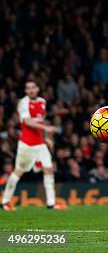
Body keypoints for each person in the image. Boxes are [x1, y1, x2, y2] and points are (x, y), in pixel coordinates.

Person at [2, 80, 66, 211]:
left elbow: (40, 121)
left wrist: (46, 138)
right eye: (28, 88)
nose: (31, 90)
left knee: (48, 170)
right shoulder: (23, 103)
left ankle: (51, 203)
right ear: (26, 91)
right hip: (27, 144)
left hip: (40, 144)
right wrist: (46, 128)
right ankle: (5, 202)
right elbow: (27, 122)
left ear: (37, 89)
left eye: (33, 87)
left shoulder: (42, 102)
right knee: (18, 172)